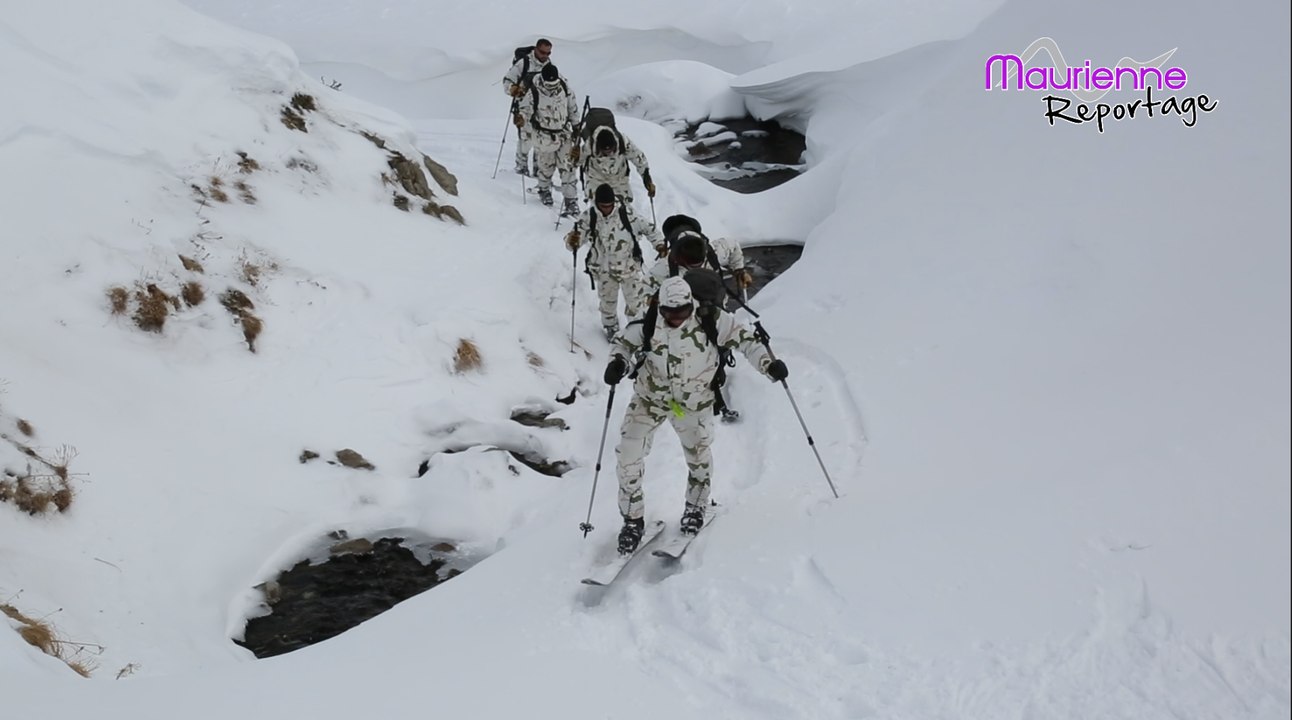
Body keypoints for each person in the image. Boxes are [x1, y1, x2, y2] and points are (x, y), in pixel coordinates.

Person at [602, 276, 788, 554]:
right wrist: (618, 363)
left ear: (691, 304)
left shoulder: (712, 319)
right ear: (660, 307)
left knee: (698, 455)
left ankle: (696, 507)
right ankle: (632, 520)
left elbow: (747, 341)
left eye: (682, 312)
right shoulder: (649, 320)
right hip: (650, 397)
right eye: (669, 312)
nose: (676, 318)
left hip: (694, 401)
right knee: (628, 453)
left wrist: (769, 365)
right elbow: (623, 345)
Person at [565, 184, 660, 340]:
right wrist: (572, 241)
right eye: (603, 206)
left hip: (628, 267)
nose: (607, 209)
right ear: (597, 203)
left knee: (636, 302)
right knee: (607, 301)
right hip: (603, 268)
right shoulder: (589, 216)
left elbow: (650, 229)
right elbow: (572, 243)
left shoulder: (627, 213)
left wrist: (660, 245)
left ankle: (638, 329)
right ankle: (610, 327)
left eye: (609, 206)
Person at [520, 63, 580, 215]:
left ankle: (571, 200)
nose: (552, 87)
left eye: (555, 84)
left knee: (568, 167)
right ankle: (544, 190)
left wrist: (577, 126)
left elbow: (572, 108)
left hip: (564, 133)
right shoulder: (533, 91)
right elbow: (525, 111)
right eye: (549, 85)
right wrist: (521, 119)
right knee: (546, 166)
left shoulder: (565, 89)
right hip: (544, 135)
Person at [503, 39, 552, 176]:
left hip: (542, 108)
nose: (545, 55)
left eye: (548, 53)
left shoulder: (548, 65)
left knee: (540, 138)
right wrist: (513, 90)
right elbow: (507, 80)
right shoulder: (523, 63)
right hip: (523, 106)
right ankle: (521, 167)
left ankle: (538, 170)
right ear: (536, 49)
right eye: (542, 52)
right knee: (525, 138)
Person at [573, 122, 653, 204]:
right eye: (605, 151)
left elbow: (639, 159)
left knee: (623, 208)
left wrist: (646, 178)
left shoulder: (623, 142)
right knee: (599, 208)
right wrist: (573, 157)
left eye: (611, 150)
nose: (609, 153)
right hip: (596, 180)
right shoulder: (590, 144)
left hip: (618, 180)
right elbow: (574, 163)